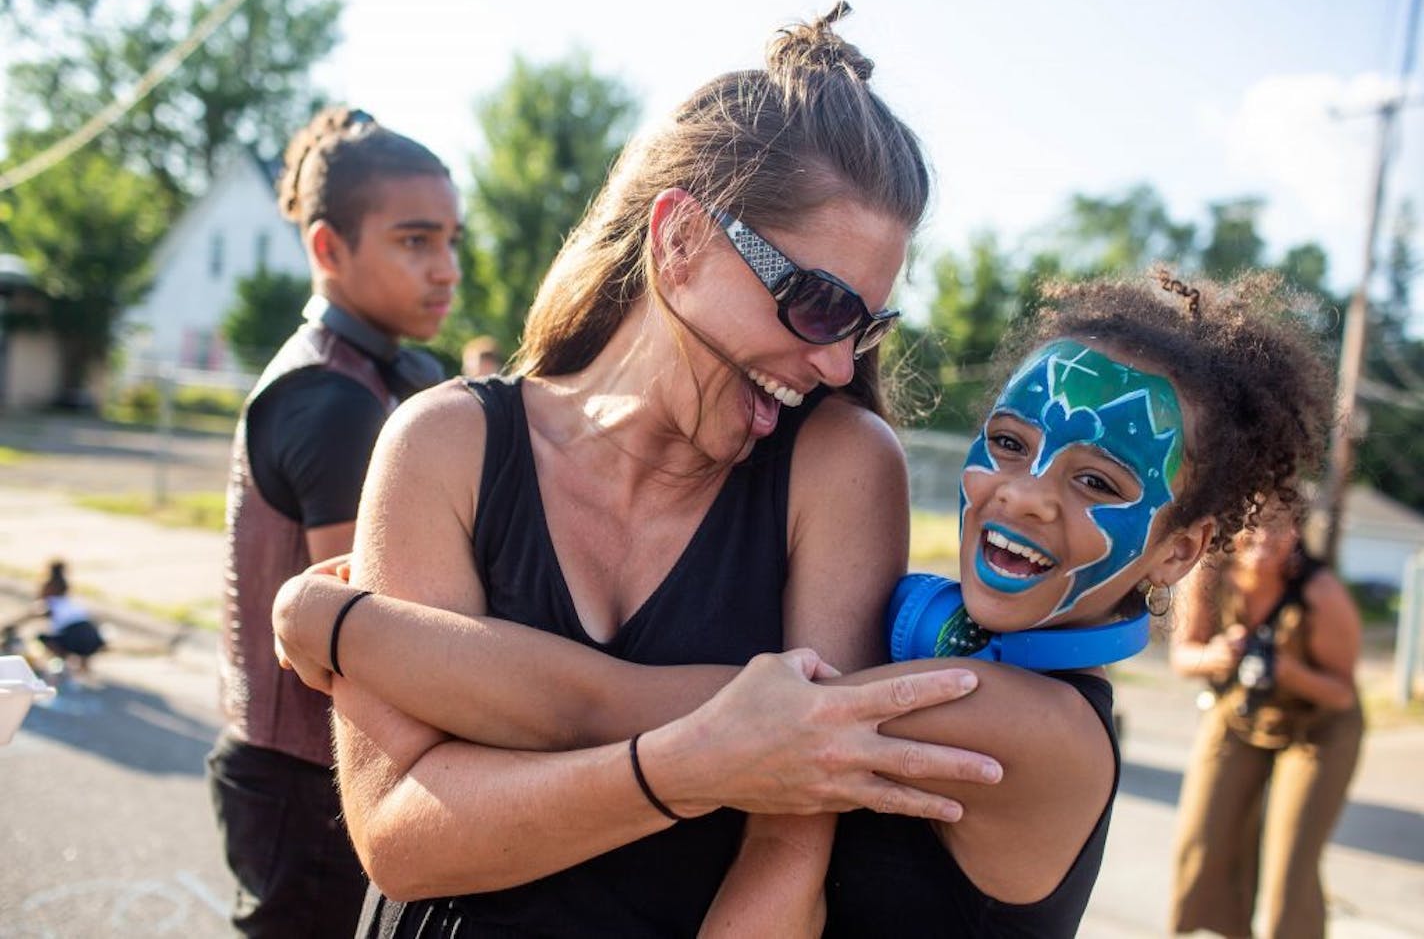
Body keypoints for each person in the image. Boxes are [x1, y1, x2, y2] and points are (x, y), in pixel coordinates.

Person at [274, 265, 1332, 936]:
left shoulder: (1023, 723)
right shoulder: (927, 633)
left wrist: (335, 628)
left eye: (1096, 482)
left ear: (1177, 550)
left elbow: (597, 703)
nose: (1023, 493)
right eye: (1007, 444)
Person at [205, 105, 461, 939]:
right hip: (309, 780)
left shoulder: (376, 374)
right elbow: (366, 644)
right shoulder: (332, 396)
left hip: (310, 770)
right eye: (415, 241)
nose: (446, 269)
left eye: (452, 241)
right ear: (327, 248)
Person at [1169, 498, 1363, 938]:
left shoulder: (1321, 593)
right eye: (1251, 526)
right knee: (1203, 842)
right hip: (1241, 711)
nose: (1262, 539)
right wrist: (1217, 655)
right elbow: (1183, 657)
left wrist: (1287, 669)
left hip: (1320, 728)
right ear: (1231, 527)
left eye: (1278, 527)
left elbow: (1341, 692)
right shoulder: (1210, 574)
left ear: (1296, 532)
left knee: (1287, 866)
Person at [6, 559, 106, 680]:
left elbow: (29, 616)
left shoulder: (50, 604)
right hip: (93, 637)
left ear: (49, 589)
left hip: (75, 637)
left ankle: (63, 665)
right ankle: (83, 670)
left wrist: (9, 625)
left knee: (42, 638)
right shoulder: (70, 602)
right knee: (74, 639)